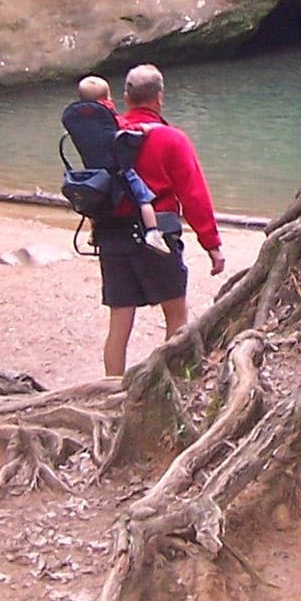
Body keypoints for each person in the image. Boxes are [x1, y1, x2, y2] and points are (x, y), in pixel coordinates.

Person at [100, 64, 226, 378]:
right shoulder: (172, 139)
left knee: (119, 324)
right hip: (158, 237)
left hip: (112, 235)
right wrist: (212, 245)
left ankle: (111, 388)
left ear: (126, 98)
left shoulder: (107, 135)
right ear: (159, 98)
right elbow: (194, 195)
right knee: (176, 316)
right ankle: (169, 383)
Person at [61, 75, 175, 256]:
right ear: (107, 98)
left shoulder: (78, 120)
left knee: (96, 200)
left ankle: (95, 232)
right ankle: (153, 233)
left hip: (94, 172)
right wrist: (146, 129)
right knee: (144, 198)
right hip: (118, 170)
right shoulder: (108, 118)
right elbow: (127, 130)